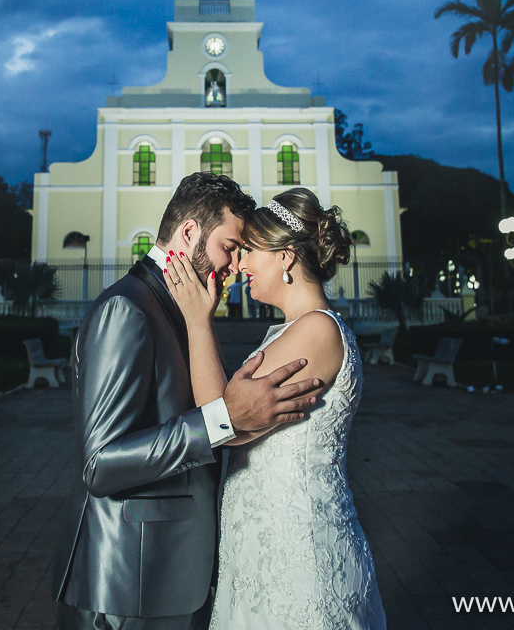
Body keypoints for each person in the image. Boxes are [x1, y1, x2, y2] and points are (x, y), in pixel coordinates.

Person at [53, 173, 323, 630]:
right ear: (189, 233)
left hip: (171, 572)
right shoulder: (128, 308)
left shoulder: (184, 302)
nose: (235, 264)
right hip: (127, 584)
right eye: (231, 246)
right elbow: (100, 463)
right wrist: (222, 420)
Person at [164, 187, 386, 630]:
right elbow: (231, 413)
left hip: (295, 547)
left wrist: (197, 321)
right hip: (265, 540)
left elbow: (222, 421)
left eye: (249, 252)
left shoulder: (317, 331)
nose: (240, 265)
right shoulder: (292, 330)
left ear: (285, 257)